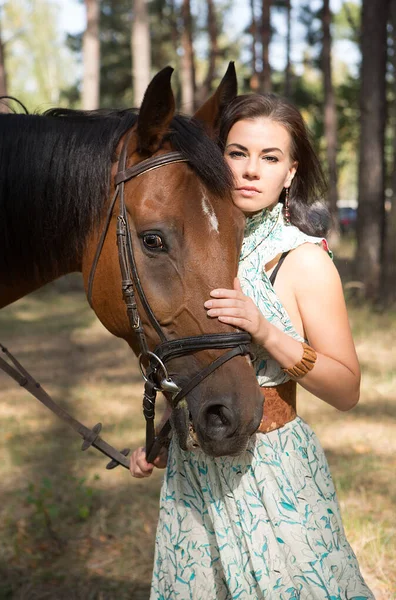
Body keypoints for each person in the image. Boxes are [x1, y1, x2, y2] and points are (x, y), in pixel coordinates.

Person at [130, 93, 374, 599]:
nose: (250, 171)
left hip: (275, 475)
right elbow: (195, 357)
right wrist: (162, 438)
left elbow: (347, 390)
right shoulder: (193, 248)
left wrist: (266, 331)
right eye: (237, 153)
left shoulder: (302, 260)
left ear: (290, 173)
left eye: (270, 158)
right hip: (194, 474)